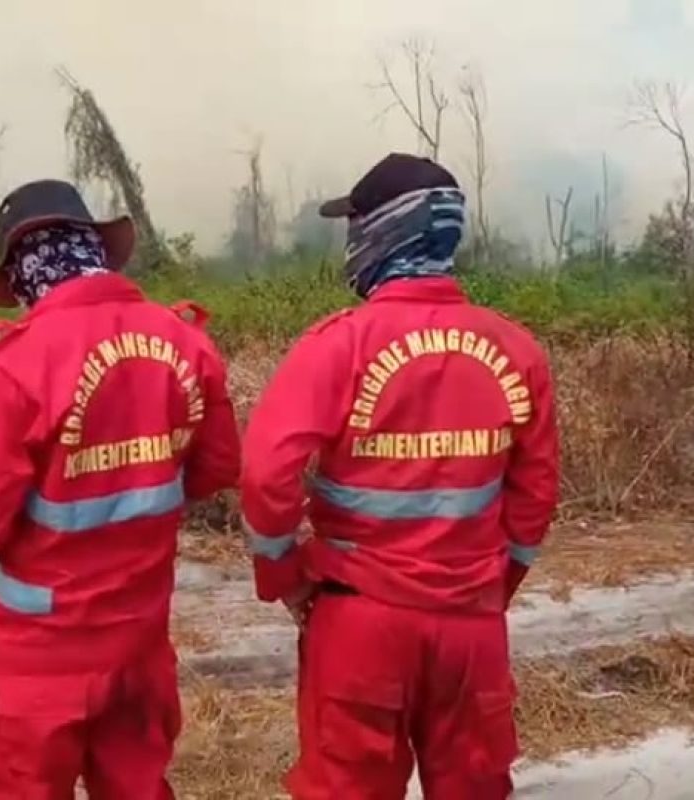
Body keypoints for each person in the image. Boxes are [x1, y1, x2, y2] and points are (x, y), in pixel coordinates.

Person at [239, 154, 560, 799]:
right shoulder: (516, 350)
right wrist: (496, 585)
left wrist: (283, 575)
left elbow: (265, 471)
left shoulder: (338, 345)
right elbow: (536, 495)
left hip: (360, 623)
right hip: (471, 625)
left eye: (356, 225)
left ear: (384, 231)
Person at [0, 179, 240, 799]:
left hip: (36, 656)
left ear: (21, 270)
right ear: (94, 249)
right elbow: (216, 467)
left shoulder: (11, 365)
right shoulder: (184, 340)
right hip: (138, 638)